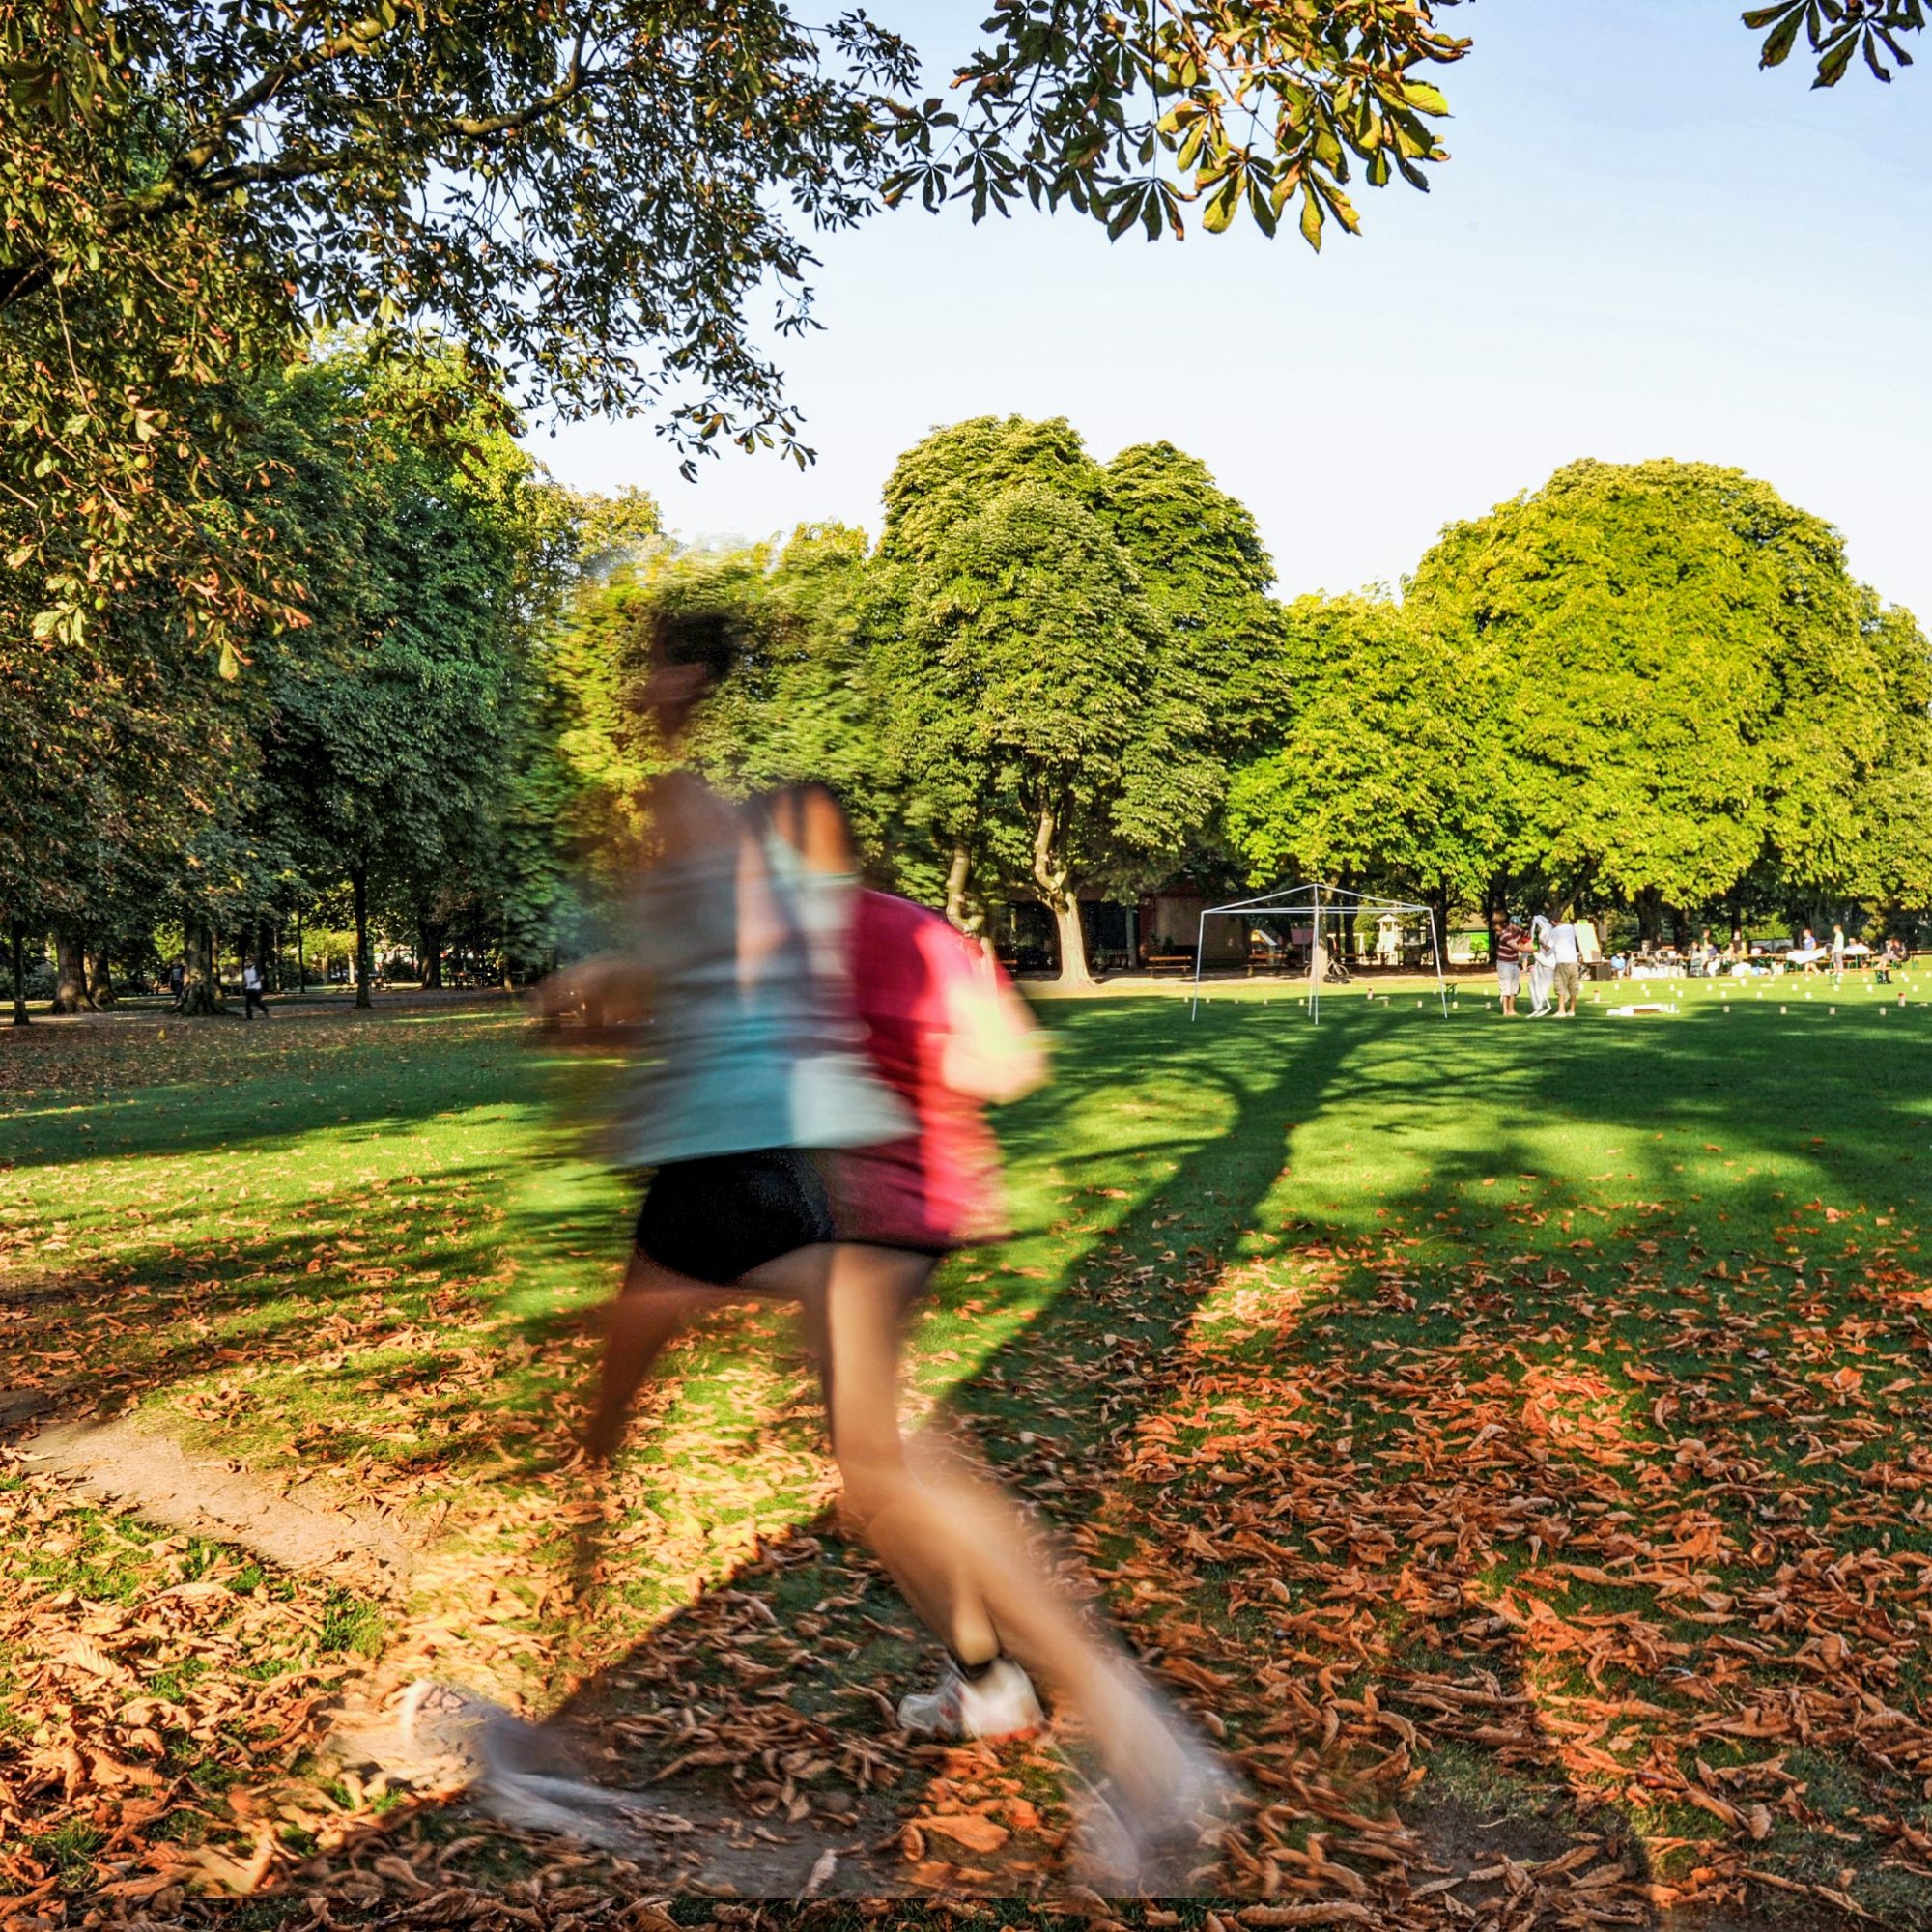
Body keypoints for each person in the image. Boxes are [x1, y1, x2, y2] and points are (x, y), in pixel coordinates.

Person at [554, 608, 1226, 1877]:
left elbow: (705, 986)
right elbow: (706, 987)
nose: (639, 694)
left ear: (682, 682)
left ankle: (547, 1731)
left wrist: (602, 999)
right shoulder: (774, 868)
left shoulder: (701, 818)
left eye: (654, 673)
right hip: (799, 1183)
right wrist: (607, 998)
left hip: (732, 1172)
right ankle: (1075, 1711)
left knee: (622, 1438)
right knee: (882, 1463)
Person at [1494, 915, 1529, 1016]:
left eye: (1519, 925)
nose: (1518, 927)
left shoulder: (1519, 931)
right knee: (1506, 988)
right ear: (1511, 924)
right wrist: (1532, 950)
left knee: (1514, 988)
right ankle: (1505, 1011)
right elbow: (1516, 947)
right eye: (1516, 925)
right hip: (1504, 964)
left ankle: (1511, 1010)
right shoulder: (1505, 934)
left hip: (1514, 963)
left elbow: (1528, 934)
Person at [1549, 909, 1582, 1018]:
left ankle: (1561, 1010)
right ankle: (1572, 1010)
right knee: (1573, 986)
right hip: (1573, 960)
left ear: (1553, 922)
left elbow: (1548, 946)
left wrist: (1540, 942)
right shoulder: (1570, 927)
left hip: (1562, 961)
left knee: (1560, 985)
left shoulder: (1554, 931)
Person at [1526, 907, 1557, 1017]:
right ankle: (1539, 1005)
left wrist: (1541, 943)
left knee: (1542, 986)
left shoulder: (1550, 932)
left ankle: (1541, 1005)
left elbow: (1548, 948)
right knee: (1533, 985)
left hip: (1548, 964)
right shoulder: (1547, 931)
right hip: (1543, 962)